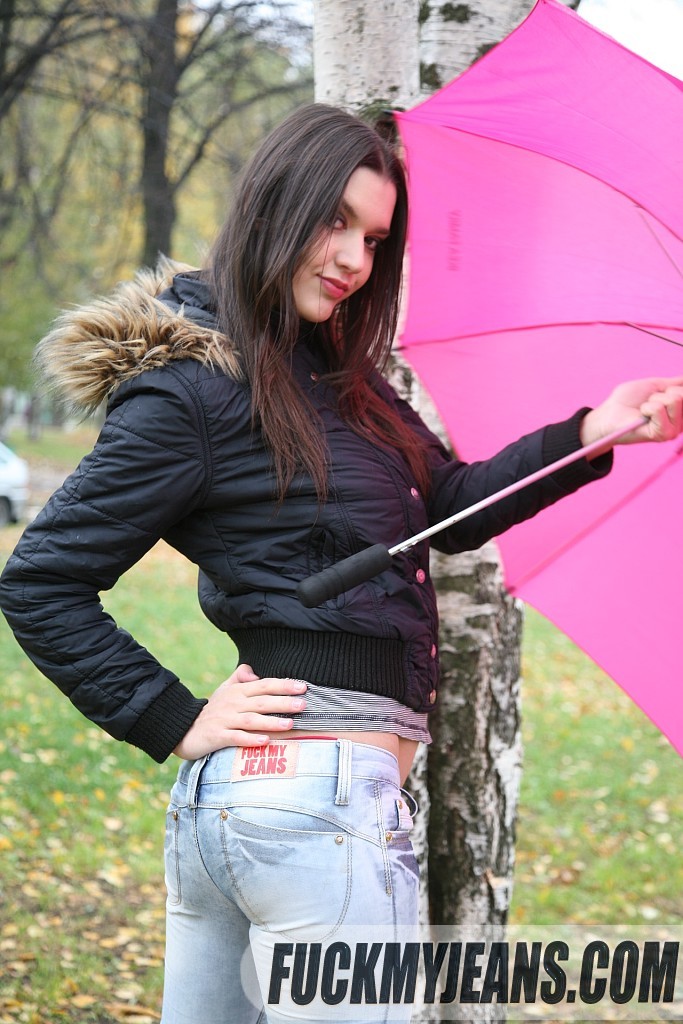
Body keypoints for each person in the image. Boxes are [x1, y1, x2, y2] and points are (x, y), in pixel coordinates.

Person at [1, 103, 682, 1024]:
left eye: (373, 239)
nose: (355, 258)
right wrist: (173, 716)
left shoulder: (339, 383)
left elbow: (448, 507)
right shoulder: (193, 388)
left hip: (268, 815)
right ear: (274, 205)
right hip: (312, 811)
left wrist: (594, 431)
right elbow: (41, 578)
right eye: (336, 222)